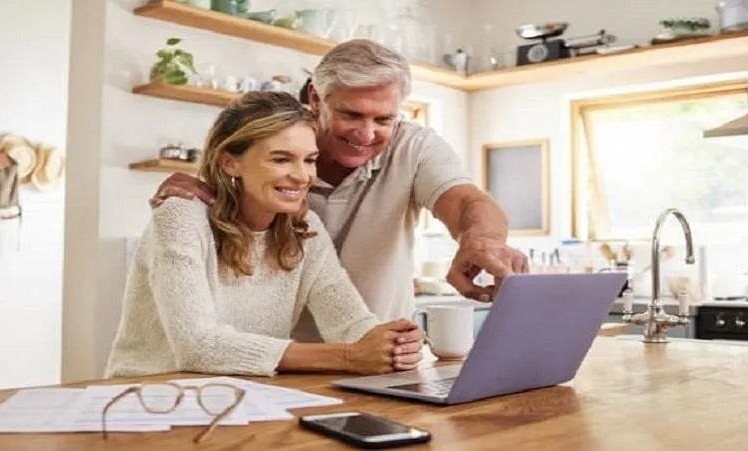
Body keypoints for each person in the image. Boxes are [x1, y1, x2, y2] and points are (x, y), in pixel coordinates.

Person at [149, 39, 528, 341]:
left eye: (384, 119)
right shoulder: (274, 148)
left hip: (369, 351)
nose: (366, 134)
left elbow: (465, 202)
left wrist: (483, 241)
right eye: (351, 114)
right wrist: (214, 191)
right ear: (315, 98)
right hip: (269, 360)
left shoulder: (414, 147)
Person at [105, 91, 423, 378]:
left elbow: (351, 325)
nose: (302, 176)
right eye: (281, 159)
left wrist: (393, 345)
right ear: (230, 163)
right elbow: (198, 345)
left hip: (240, 400)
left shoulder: (305, 228)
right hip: (148, 399)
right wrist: (349, 357)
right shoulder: (181, 215)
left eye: (309, 160)